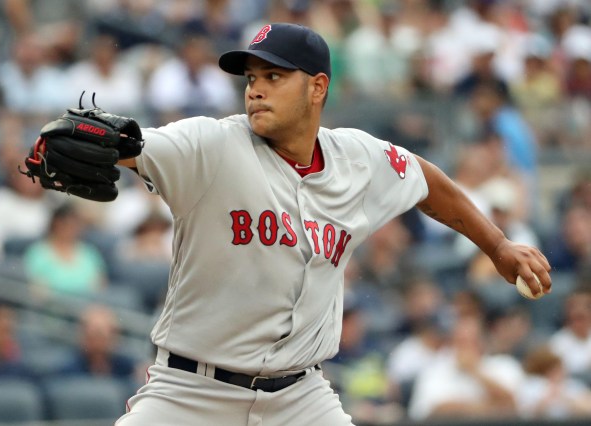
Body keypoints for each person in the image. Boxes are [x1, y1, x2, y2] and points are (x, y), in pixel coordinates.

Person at [32, 23, 551, 426]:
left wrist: (498, 245)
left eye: (273, 77)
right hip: (191, 393)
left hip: (301, 397)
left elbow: (427, 181)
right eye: (252, 78)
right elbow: (142, 146)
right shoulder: (212, 146)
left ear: (317, 87)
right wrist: (119, 146)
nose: (255, 90)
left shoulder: (359, 159)